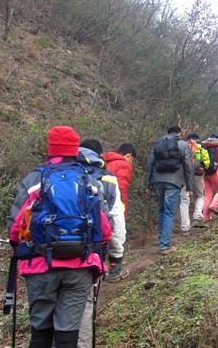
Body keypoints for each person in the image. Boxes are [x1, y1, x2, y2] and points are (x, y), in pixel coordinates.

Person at [7, 126, 120, 348]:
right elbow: (106, 230)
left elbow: (15, 229)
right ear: (75, 149)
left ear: (50, 148)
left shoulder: (34, 180)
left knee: (40, 333)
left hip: (40, 267)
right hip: (79, 268)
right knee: (68, 335)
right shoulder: (89, 181)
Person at [77, 139, 127, 348]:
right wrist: (116, 253)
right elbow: (115, 216)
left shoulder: (48, 173)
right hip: (90, 251)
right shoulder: (106, 177)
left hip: (48, 255)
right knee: (84, 305)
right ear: (99, 155)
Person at [144, 126, 194, 255]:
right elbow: (188, 166)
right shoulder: (183, 145)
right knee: (169, 213)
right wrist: (190, 187)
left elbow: (149, 164)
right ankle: (165, 246)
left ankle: (162, 240)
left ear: (167, 133)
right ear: (179, 133)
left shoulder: (157, 144)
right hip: (174, 181)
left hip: (157, 181)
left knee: (161, 210)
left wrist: (147, 184)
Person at [180, 133, 209, 233]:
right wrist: (204, 168)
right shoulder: (201, 145)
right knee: (200, 195)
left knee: (184, 201)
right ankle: (196, 217)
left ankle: (185, 228)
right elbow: (206, 161)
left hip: (184, 175)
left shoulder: (183, 145)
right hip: (198, 174)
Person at [101, 143, 137, 218]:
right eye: (132, 160)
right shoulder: (124, 165)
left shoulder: (105, 162)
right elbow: (121, 189)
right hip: (112, 205)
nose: (131, 163)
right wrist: (122, 212)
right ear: (129, 156)